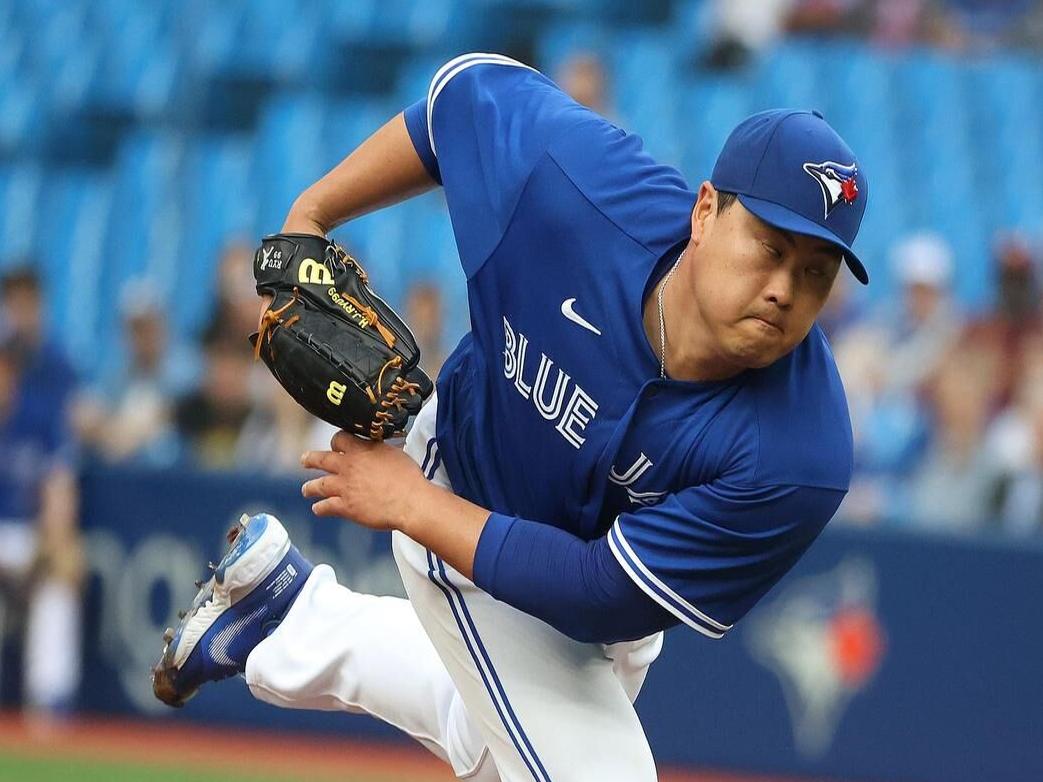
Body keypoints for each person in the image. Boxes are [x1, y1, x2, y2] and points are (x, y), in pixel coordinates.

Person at [156, 53, 868, 781]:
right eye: (770, 247)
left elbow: (598, 595)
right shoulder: (575, 187)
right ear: (706, 211)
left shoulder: (798, 454)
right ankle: (291, 624)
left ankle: (286, 618)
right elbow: (457, 101)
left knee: (492, 745)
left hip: (593, 579)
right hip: (469, 486)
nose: (784, 288)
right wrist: (311, 213)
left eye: (815, 270)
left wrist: (410, 504)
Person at [0, 267, 83, 720]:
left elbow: (58, 487)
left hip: (23, 537)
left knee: (58, 577)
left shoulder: (37, 416)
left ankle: (48, 706)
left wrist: (54, 543)